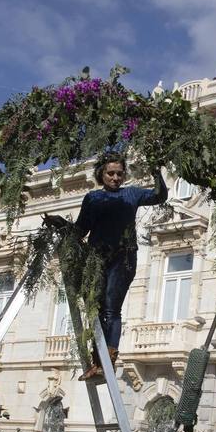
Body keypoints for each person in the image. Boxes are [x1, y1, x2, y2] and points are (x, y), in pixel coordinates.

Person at [73, 152, 167, 380]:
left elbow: (159, 196)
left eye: (119, 173)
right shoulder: (92, 198)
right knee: (95, 310)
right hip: (97, 259)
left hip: (122, 259)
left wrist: (157, 173)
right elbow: (81, 229)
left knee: (111, 309)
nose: (115, 177)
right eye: (110, 173)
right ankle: (97, 361)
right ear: (101, 174)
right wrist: (63, 231)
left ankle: (109, 358)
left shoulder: (132, 193)